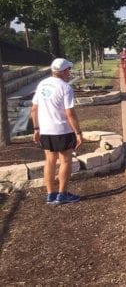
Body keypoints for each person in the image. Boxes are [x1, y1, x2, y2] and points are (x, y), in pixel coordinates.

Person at [31, 58, 83, 204]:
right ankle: (62, 194)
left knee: (49, 161)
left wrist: (36, 128)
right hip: (62, 129)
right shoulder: (65, 88)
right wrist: (78, 132)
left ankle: (50, 194)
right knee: (65, 160)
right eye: (69, 70)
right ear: (64, 71)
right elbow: (70, 114)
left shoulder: (42, 84)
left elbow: (34, 109)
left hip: (46, 130)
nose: (69, 73)